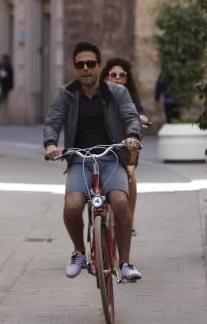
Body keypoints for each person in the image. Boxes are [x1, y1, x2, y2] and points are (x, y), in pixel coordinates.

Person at [44, 41, 142, 282]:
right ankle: (79, 252)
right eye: (80, 64)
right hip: (79, 159)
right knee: (73, 206)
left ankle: (125, 263)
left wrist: (131, 136)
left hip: (111, 157)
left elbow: (131, 116)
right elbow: (53, 122)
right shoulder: (67, 94)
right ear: (75, 68)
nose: (86, 68)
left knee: (120, 201)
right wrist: (51, 145)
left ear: (99, 66)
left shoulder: (117, 92)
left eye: (90, 63)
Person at [101, 57, 148, 236]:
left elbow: (139, 113)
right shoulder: (99, 95)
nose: (118, 78)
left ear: (127, 79)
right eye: (113, 74)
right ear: (106, 77)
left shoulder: (131, 97)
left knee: (131, 178)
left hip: (125, 149)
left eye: (122, 75)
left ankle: (130, 221)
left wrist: (141, 118)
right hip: (103, 146)